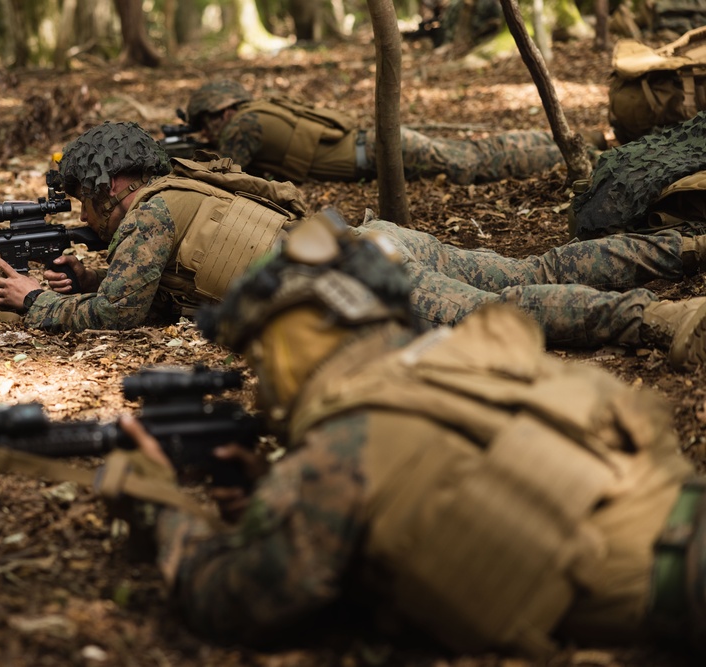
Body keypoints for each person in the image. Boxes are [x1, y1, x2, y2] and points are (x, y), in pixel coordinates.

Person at [114, 211, 706, 655]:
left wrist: (160, 506)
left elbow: (236, 601)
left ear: (290, 343)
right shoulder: (466, 357)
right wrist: (277, 492)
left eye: (258, 357)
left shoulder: (338, 450)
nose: (258, 384)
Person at [0, 121, 706, 370]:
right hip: (367, 241)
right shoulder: (181, 191)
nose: (88, 215)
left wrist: (37, 306)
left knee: (506, 309)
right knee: (532, 268)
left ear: (114, 185)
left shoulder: (145, 215)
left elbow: (118, 318)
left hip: (356, 271)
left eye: (86, 200)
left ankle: (665, 319)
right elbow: (153, 295)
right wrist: (88, 278)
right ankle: (686, 247)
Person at [183, 79, 593, 185]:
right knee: (475, 151)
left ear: (220, 112)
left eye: (206, 123)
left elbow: (226, 176)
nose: (209, 131)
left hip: (380, 151)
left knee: (472, 163)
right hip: (378, 143)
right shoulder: (260, 110)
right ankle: (570, 145)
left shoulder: (242, 125)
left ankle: (573, 155)